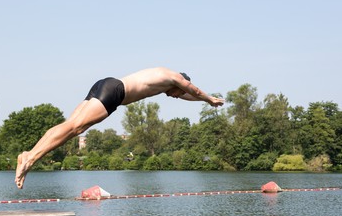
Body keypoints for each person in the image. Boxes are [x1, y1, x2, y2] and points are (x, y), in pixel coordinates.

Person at [15, 67, 225, 189]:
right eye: (178, 93)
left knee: (73, 127)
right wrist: (209, 99)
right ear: (181, 83)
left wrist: (202, 102)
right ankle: (31, 159)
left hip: (105, 84)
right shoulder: (175, 77)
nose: (175, 96)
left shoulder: (164, 79)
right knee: (74, 127)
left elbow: (189, 95)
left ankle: (28, 154)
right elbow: (194, 90)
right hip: (115, 92)